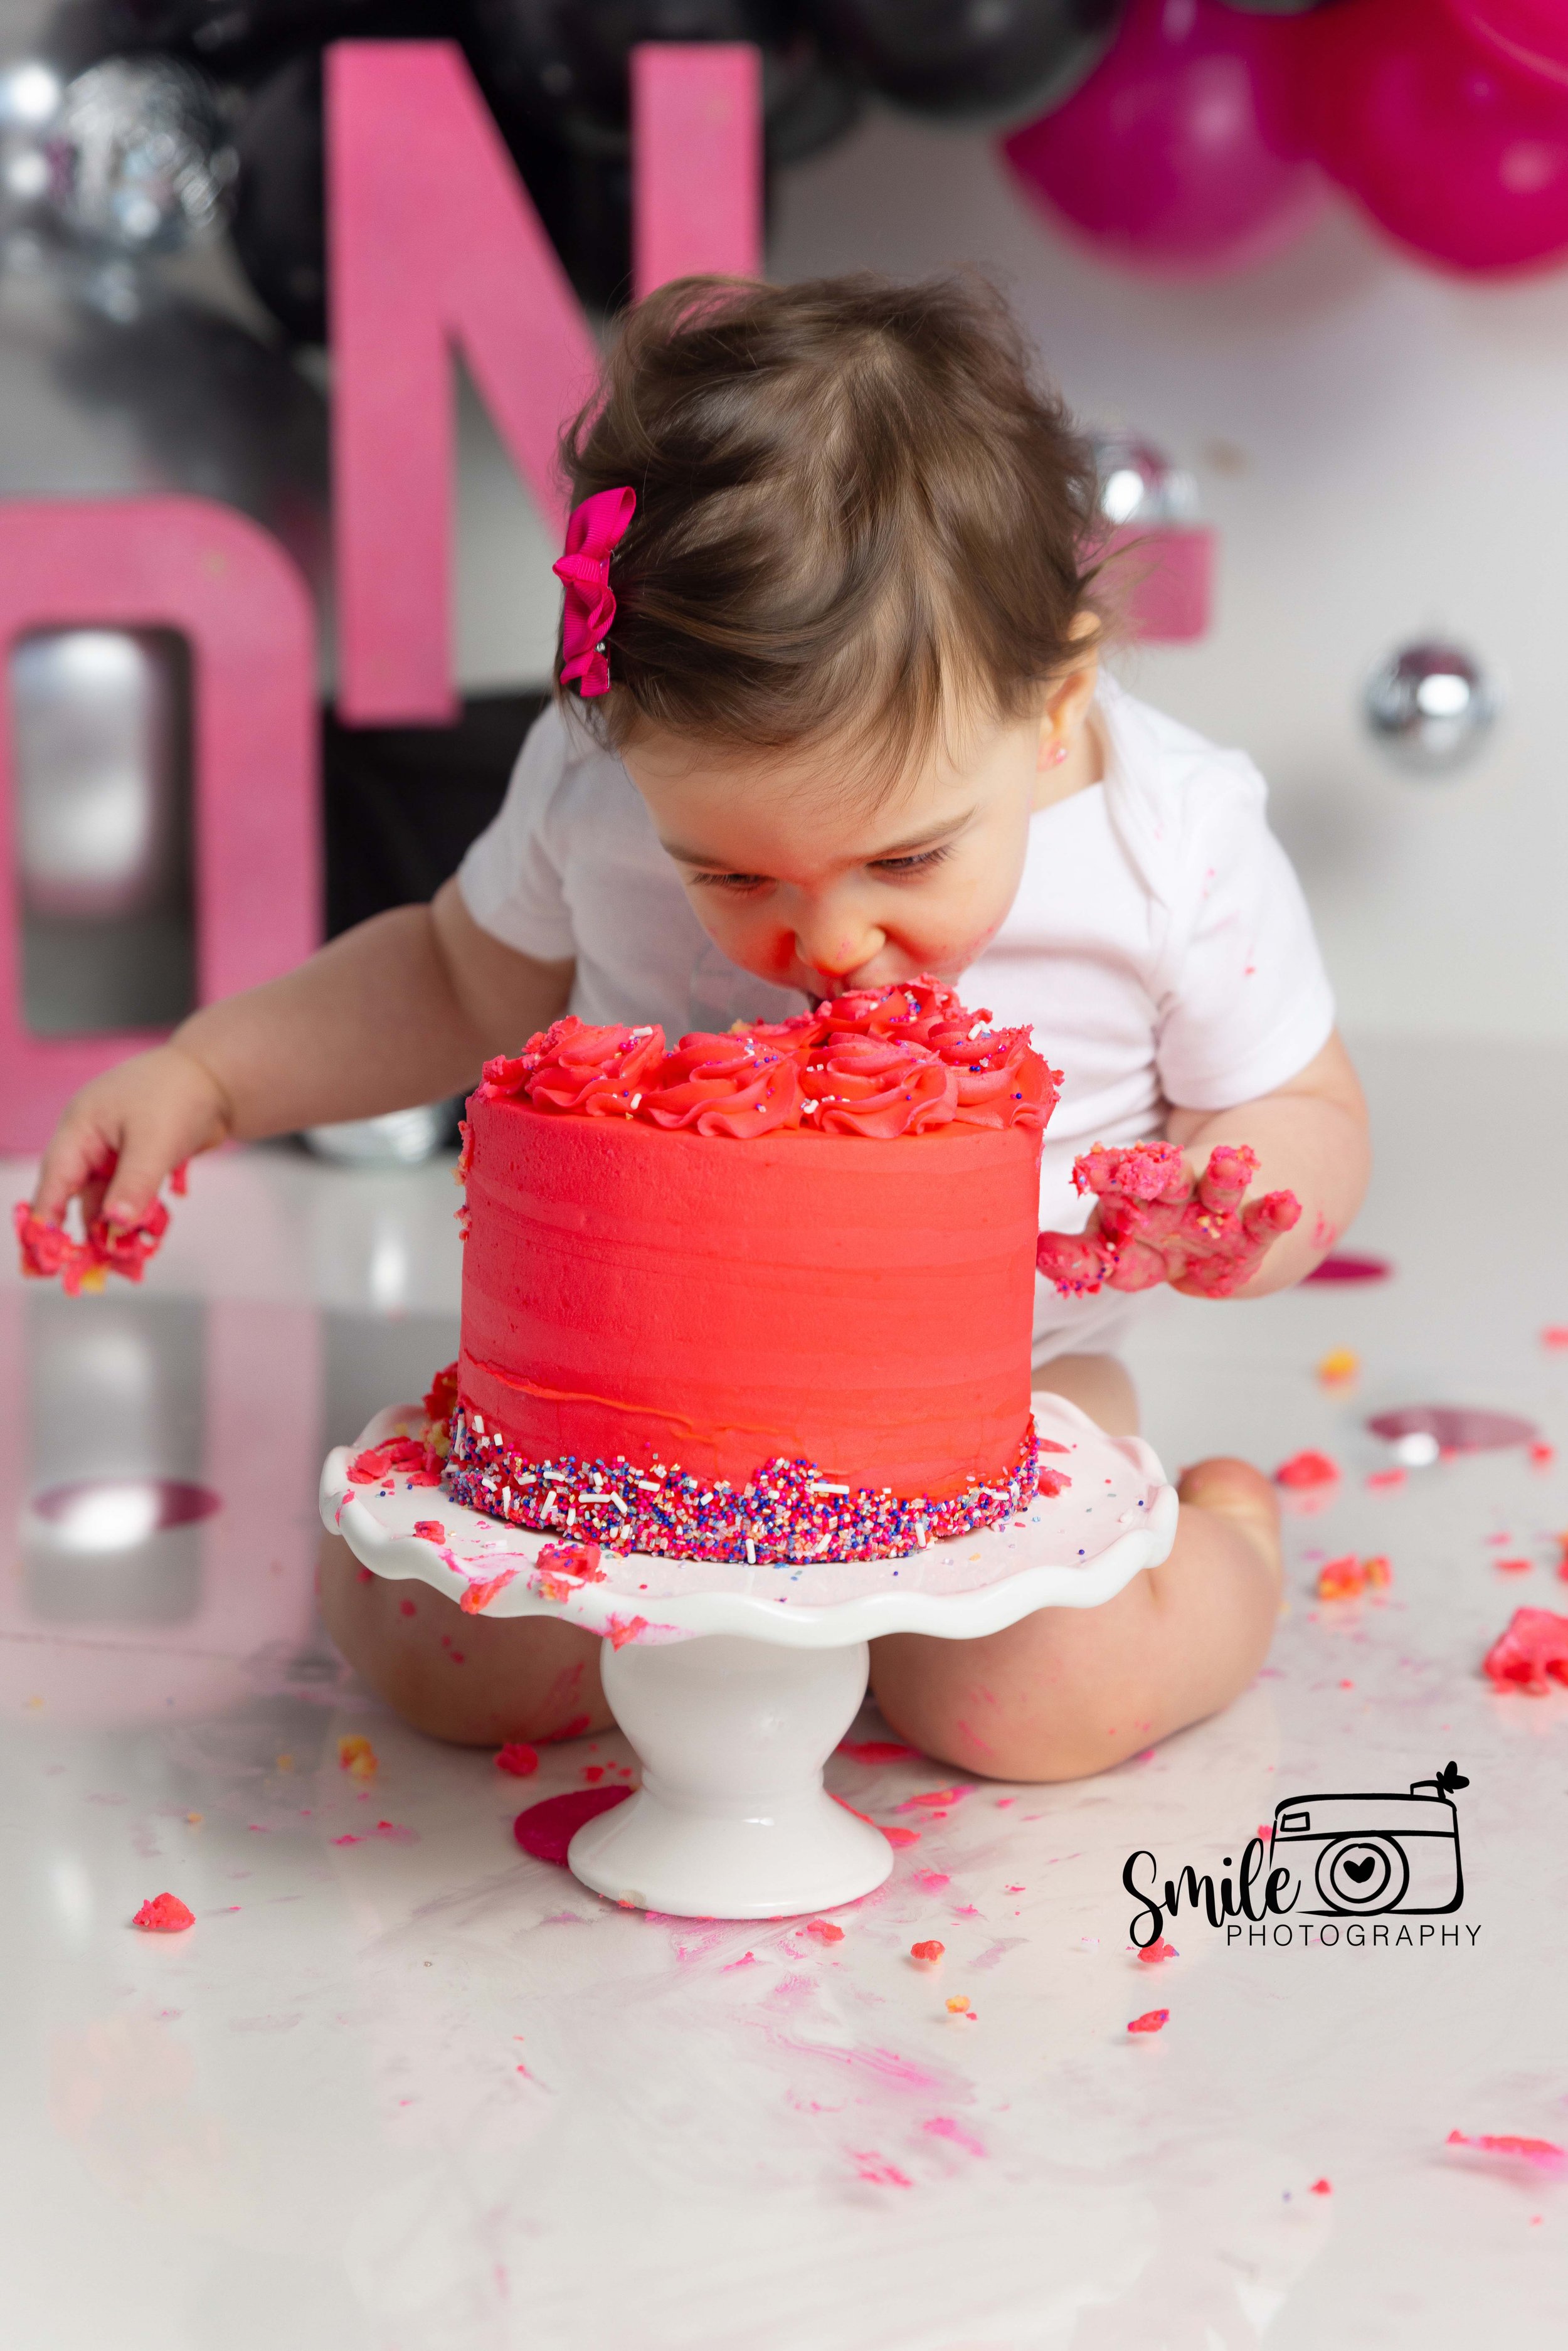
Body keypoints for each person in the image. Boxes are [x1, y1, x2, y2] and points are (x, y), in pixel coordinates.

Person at [31, 273, 1369, 1780]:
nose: (830, 942)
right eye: (729, 872)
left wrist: (1246, 1200)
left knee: (1028, 1705)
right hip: (633, 1394)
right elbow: (450, 979)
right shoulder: (597, 783)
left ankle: (1227, 1545)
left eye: (909, 858)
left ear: (1051, 702)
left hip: (999, 1398)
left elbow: (1296, 1100)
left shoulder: (1164, 839)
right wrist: (209, 1074)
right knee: (453, 1661)